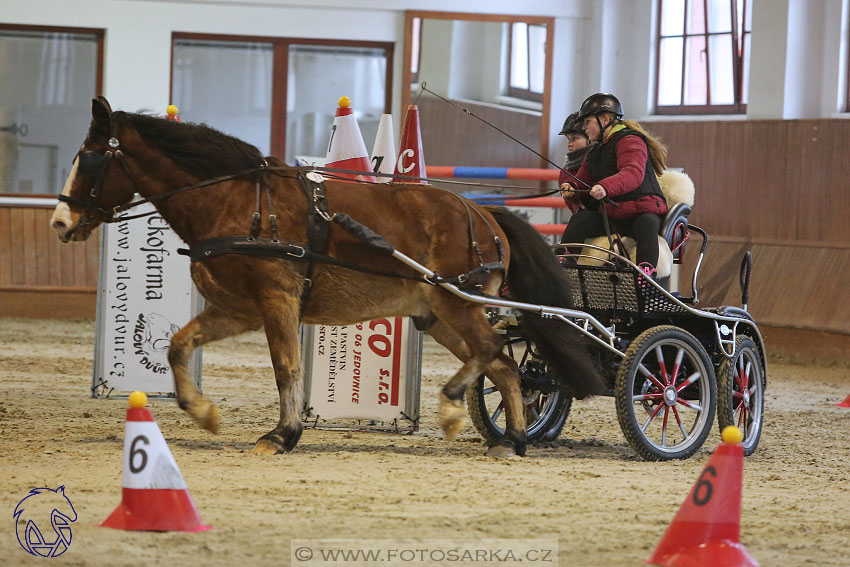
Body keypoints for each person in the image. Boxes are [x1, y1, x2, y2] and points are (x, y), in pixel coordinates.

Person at [559, 92, 668, 280]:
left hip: (641, 210)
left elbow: (632, 173)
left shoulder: (631, 141)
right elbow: (582, 182)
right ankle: (563, 265)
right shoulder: (594, 151)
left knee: (647, 224)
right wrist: (572, 189)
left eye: (587, 123)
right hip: (613, 215)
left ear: (605, 119)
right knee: (581, 220)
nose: (584, 128)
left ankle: (645, 276)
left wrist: (604, 187)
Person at [557, 111, 593, 215]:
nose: (570, 144)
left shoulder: (598, 164)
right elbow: (571, 206)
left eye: (575, 138)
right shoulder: (565, 172)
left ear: (589, 138)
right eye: (568, 139)